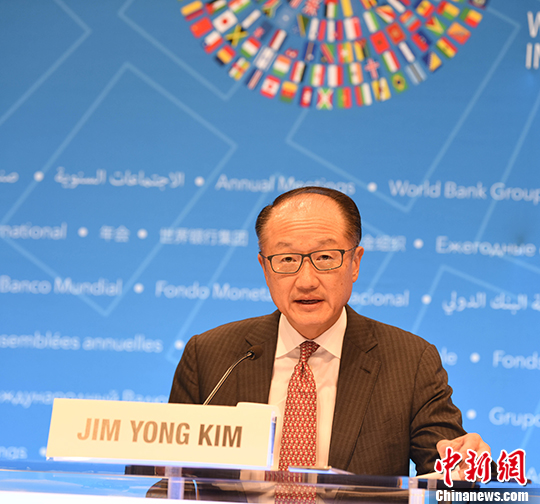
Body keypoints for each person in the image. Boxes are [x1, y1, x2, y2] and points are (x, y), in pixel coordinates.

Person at [169, 186, 490, 477]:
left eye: (325, 257)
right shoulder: (209, 355)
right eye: (287, 259)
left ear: (355, 263)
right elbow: (166, 475)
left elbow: (447, 471)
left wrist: (466, 464)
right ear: (265, 268)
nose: (306, 280)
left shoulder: (410, 361)